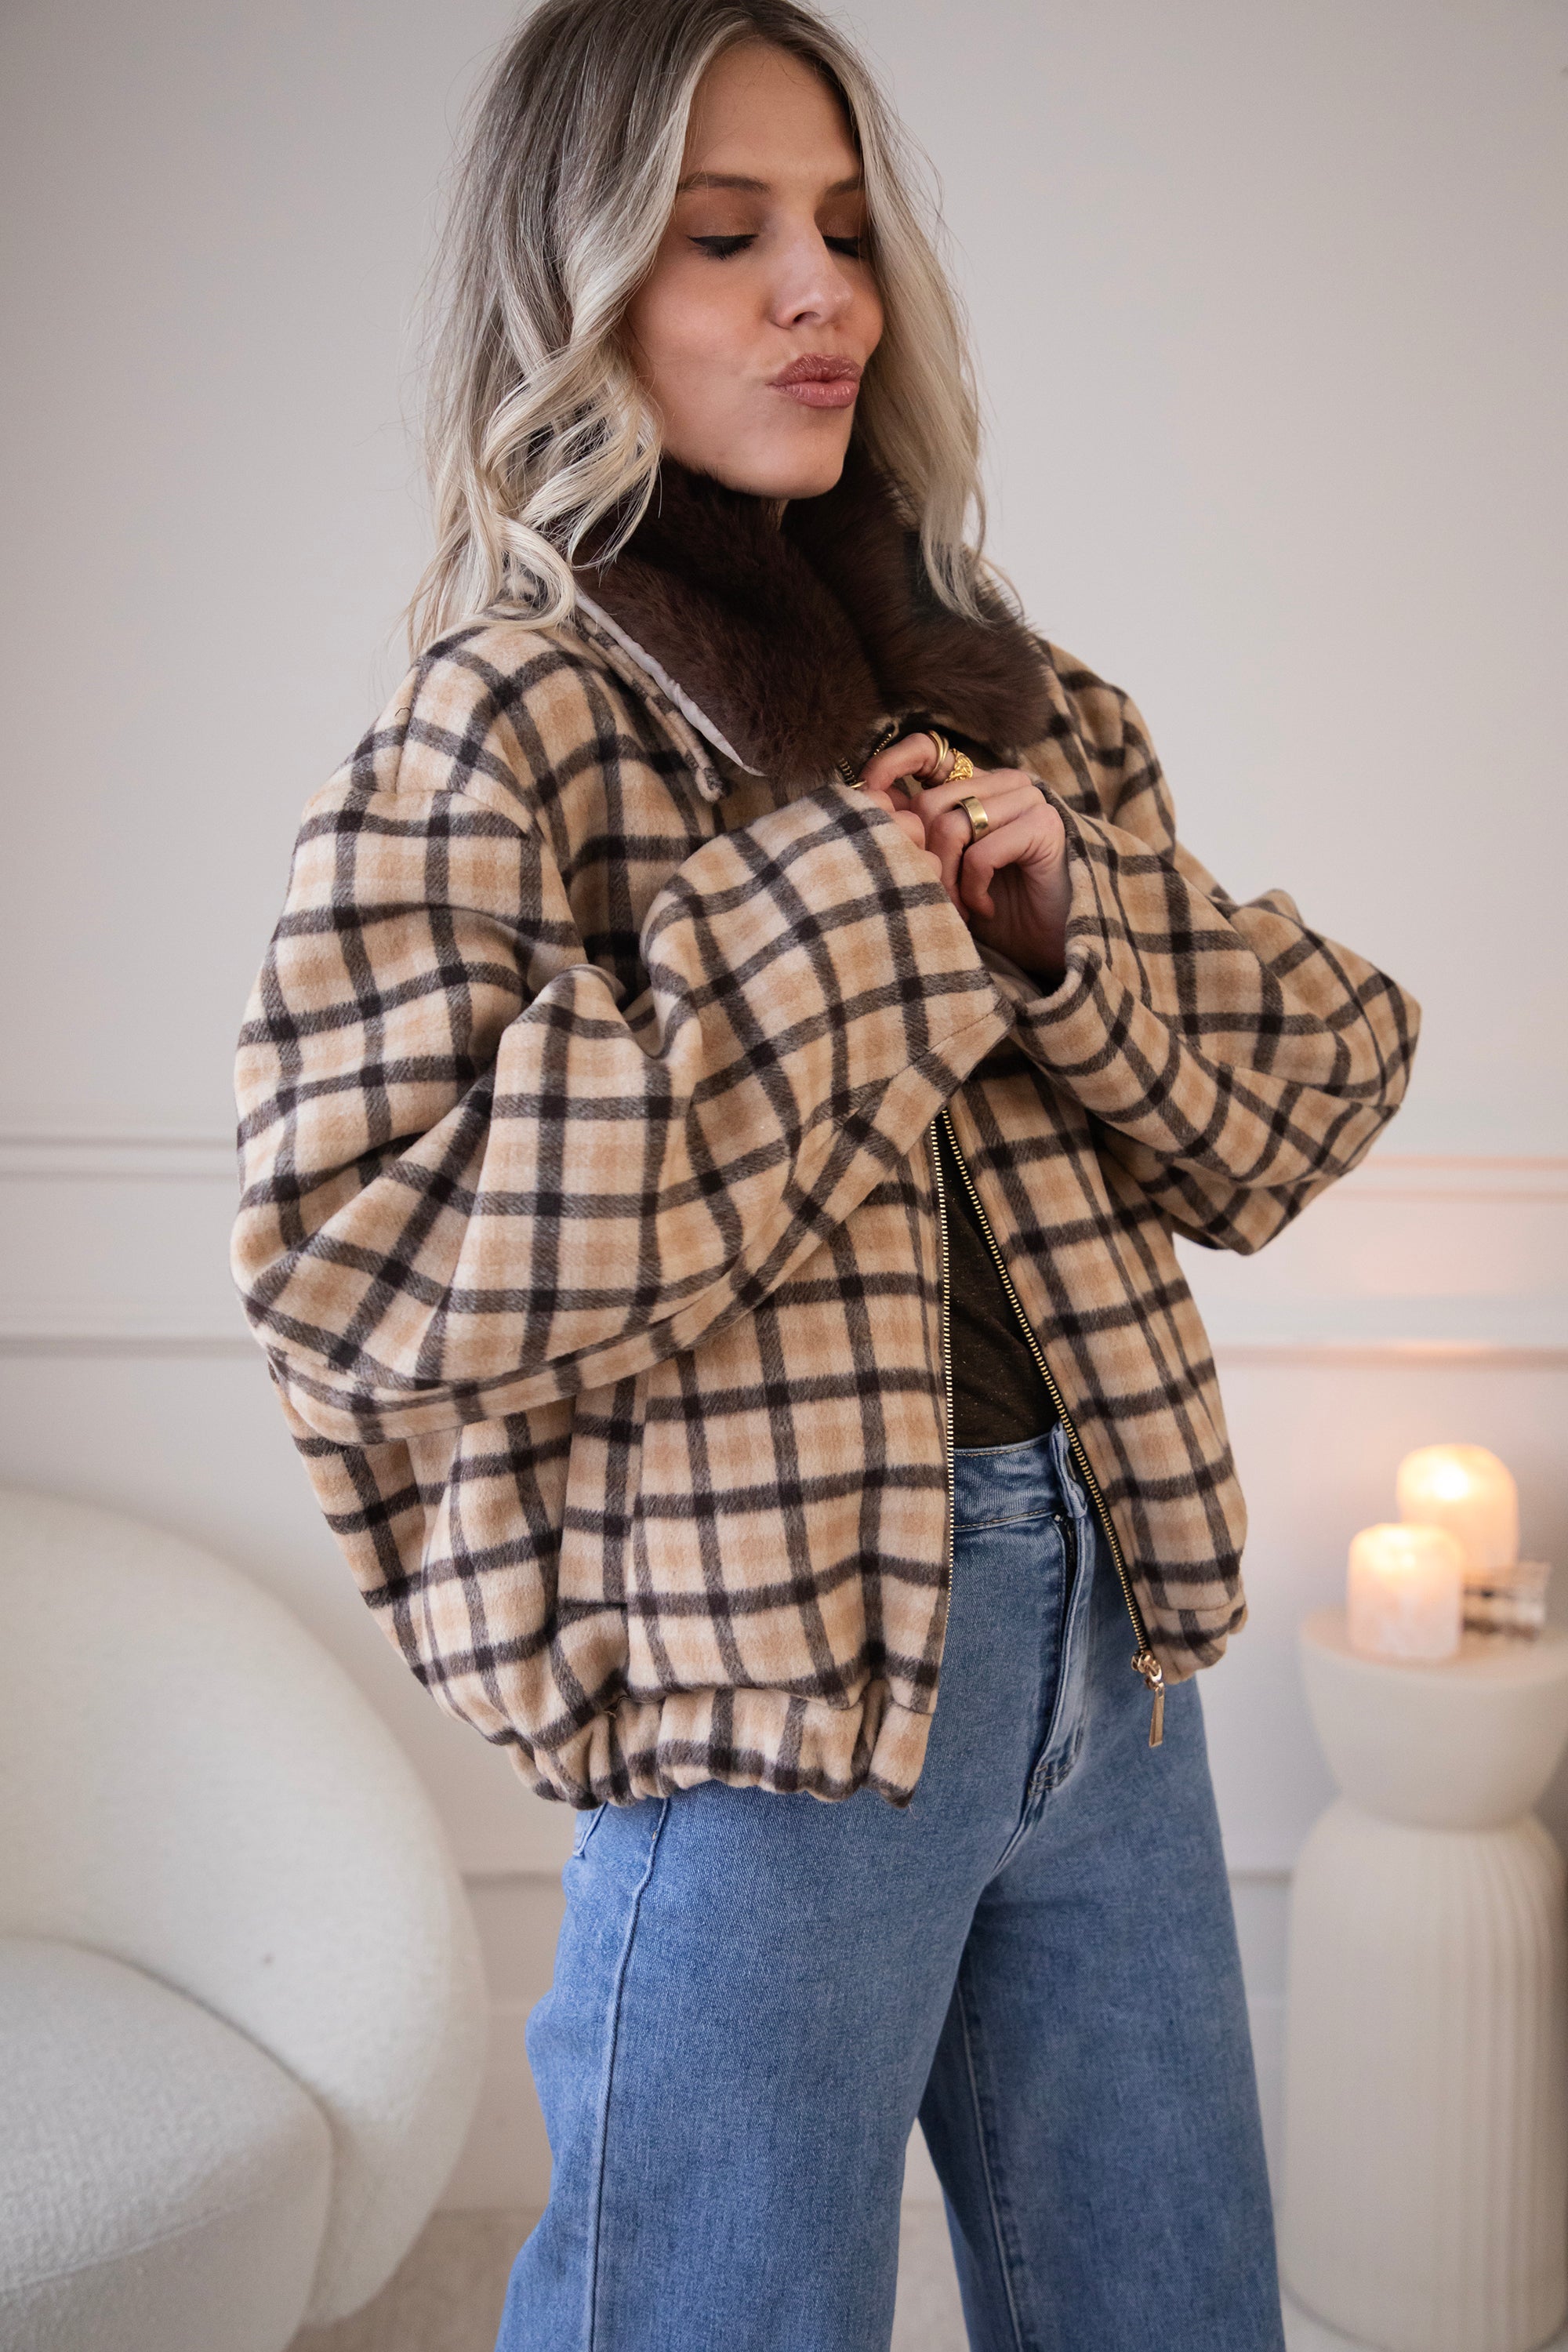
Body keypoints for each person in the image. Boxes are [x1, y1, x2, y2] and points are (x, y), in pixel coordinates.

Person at [230, 3, 1419, 2345]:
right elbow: (355, 1263)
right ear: (582, 287)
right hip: (776, 1715)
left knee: (1178, 2310)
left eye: (852, 231)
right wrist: (860, 914)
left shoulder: (1014, 705)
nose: (822, 294)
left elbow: (1320, 1090)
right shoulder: (511, 721)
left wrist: (1070, 931)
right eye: (728, 234)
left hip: (1115, 1655)